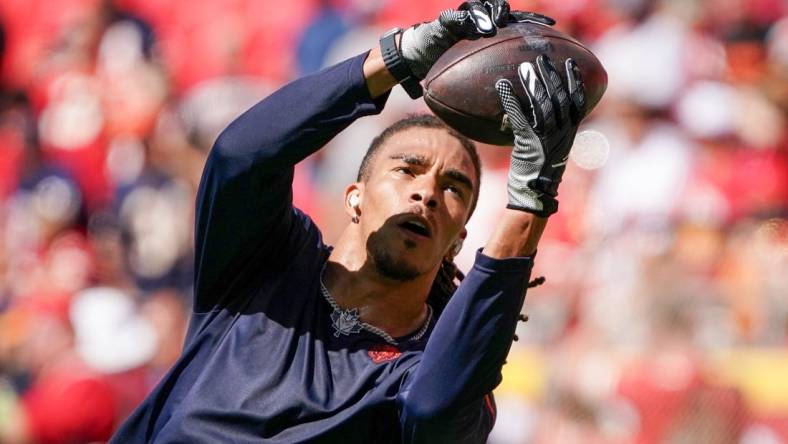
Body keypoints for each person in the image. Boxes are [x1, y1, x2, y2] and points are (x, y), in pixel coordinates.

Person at [111, 1, 585, 442]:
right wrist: (397, 58)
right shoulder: (268, 265)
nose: (427, 193)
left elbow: (433, 412)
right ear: (354, 197)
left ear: (459, 238)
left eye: (454, 188)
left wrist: (530, 199)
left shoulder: (435, 363)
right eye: (407, 169)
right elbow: (241, 157)